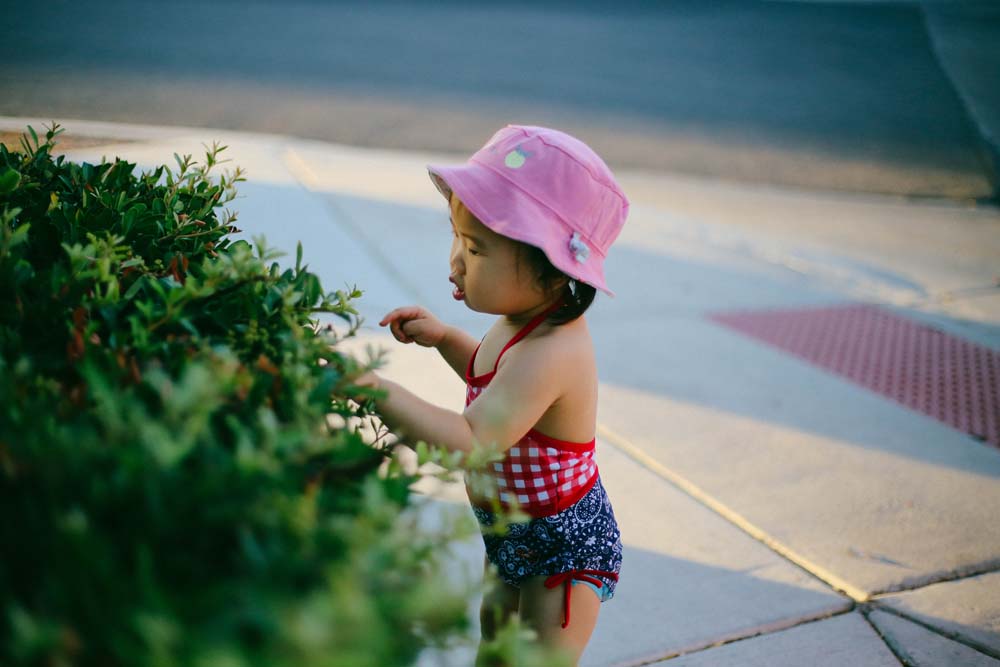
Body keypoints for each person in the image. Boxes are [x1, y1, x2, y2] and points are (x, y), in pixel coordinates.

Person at [353, 125, 627, 666]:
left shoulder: (554, 350)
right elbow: (492, 381)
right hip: (510, 533)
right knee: (495, 647)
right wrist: (448, 340)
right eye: (456, 237)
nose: (455, 260)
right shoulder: (521, 322)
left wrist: (372, 387)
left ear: (553, 267)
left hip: (561, 551)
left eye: (476, 248)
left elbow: (473, 440)